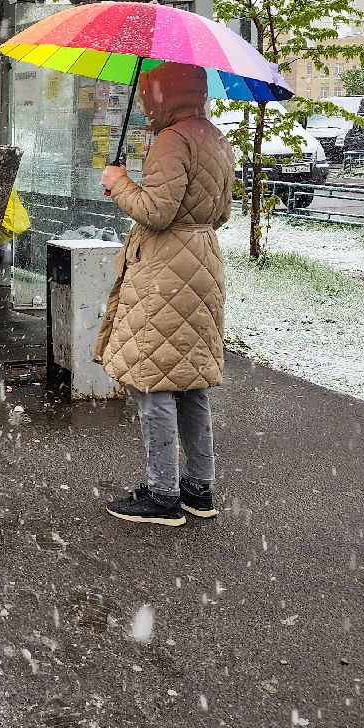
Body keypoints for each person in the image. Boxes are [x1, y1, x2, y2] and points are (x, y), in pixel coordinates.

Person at [96, 62, 236, 527]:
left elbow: (156, 212)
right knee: (189, 379)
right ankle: (198, 488)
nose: (144, 104)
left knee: (152, 377)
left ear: (166, 95)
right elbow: (221, 212)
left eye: (149, 94)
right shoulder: (215, 138)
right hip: (202, 262)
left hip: (165, 270)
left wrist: (119, 184)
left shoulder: (173, 140)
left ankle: (162, 494)